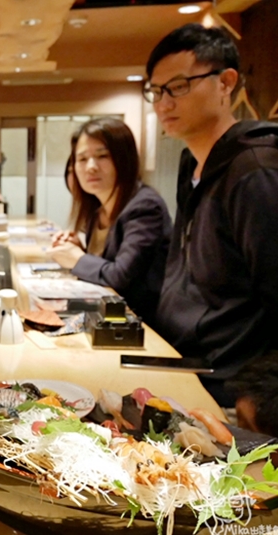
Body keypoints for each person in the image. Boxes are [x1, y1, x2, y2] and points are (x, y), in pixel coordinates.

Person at [146, 24, 278, 408]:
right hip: (180, 368)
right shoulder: (193, 164)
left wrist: (257, 401)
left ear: (226, 83)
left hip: (227, 392)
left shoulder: (256, 171)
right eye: (156, 91)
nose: (163, 103)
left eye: (179, 86)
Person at [47, 118, 172, 324]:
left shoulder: (145, 207)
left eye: (102, 156)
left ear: (124, 159)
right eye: (82, 159)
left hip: (142, 326)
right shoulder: (97, 207)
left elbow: (123, 276)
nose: (91, 167)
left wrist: (78, 259)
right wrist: (79, 247)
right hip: (107, 317)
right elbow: (110, 260)